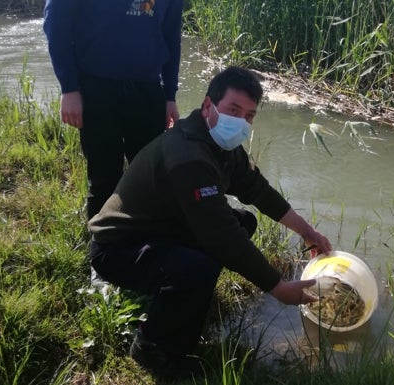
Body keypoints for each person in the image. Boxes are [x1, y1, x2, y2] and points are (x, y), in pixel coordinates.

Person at [88, 66, 333, 381]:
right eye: (233, 110)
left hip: (160, 228)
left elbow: (259, 191)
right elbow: (222, 238)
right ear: (208, 106)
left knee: (243, 222)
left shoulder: (222, 146)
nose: (241, 122)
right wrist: (279, 288)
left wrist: (307, 231)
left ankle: (179, 295)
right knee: (200, 266)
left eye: (249, 115)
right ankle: (153, 346)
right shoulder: (189, 156)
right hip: (117, 249)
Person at [43, 0, 183, 220]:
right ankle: (102, 248)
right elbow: (56, 23)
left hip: (148, 90)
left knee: (151, 177)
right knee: (104, 178)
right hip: (96, 88)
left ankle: (146, 245)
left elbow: (172, 36)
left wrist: (169, 94)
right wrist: (69, 88)